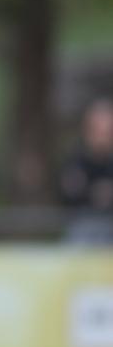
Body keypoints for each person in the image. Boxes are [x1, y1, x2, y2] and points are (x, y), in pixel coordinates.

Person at [60, 98, 113, 245]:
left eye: (107, 131)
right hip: (82, 229)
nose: (103, 136)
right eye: (98, 130)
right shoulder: (75, 159)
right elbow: (69, 193)